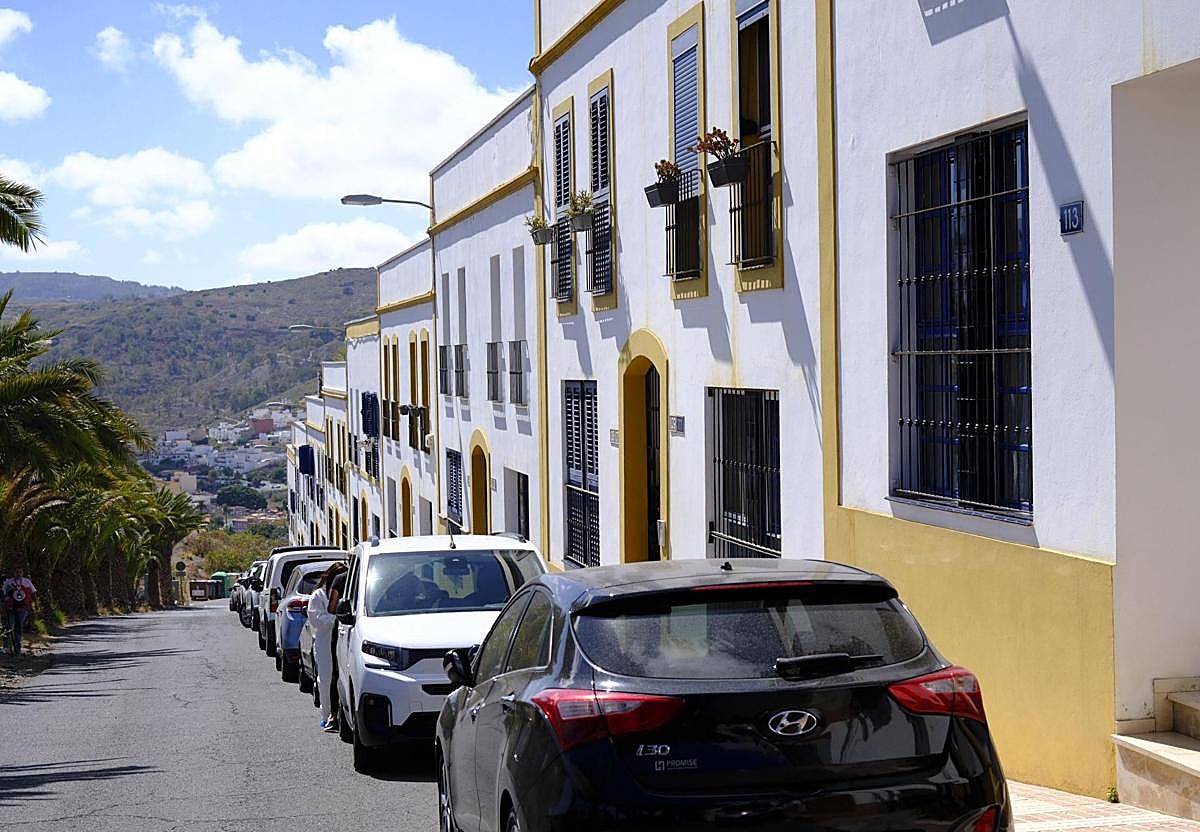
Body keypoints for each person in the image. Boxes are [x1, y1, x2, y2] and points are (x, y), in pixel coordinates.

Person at [308, 562, 346, 733]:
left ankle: (340, 714)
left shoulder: (344, 594)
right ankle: (327, 715)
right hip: (325, 641)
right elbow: (316, 618)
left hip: (342, 640)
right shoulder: (318, 595)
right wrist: (336, 620)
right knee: (326, 679)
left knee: (341, 678)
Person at [2, 568, 37, 655]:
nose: (18, 574)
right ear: (14, 573)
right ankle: (6, 647)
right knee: (8, 626)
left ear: (22, 573)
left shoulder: (27, 582)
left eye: (20, 572)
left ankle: (17, 648)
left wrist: (35, 605)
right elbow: (3, 592)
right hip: (11, 609)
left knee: (18, 627)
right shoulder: (8, 582)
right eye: (17, 572)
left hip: (22, 609)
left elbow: (33, 592)